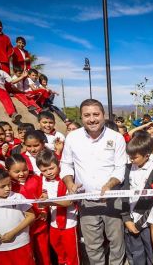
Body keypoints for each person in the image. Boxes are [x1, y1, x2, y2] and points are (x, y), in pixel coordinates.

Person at [60, 99, 127, 265]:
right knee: (92, 245)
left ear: (103, 115)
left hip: (112, 200)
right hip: (86, 201)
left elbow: (120, 168)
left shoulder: (117, 138)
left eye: (96, 114)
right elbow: (66, 165)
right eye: (87, 115)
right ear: (81, 117)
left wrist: (109, 185)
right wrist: (69, 183)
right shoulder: (72, 138)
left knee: (116, 242)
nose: (92, 119)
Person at [121, 134, 153, 265]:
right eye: (130, 157)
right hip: (131, 221)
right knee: (136, 254)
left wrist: (140, 224)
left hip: (148, 222)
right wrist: (127, 219)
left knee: (151, 253)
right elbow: (123, 193)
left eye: (135, 157)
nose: (131, 160)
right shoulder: (127, 168)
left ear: (147, 155)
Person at [0, 168, 35, 264]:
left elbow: (31, 216)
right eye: (2, 186)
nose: (7, 188)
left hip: (21, 244)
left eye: (9, 184)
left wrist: (13, 233)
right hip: (0, 247)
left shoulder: (18, 197)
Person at [36, 149, 80, 265]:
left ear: (58, 164)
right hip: (54, 222)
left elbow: (68, 202)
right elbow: (42, 195)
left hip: (69, 223)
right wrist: (43, 201)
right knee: (57, 247)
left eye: (51, 168)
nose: (49, 172)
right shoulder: (42, 180)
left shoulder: (66, 179)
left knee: (72, 253)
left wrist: (48, 202)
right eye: (44, 170)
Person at [5, 153, 49, 265]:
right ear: (8, 171)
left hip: (40, 223)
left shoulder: (36, 179)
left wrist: (44, 210)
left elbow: (43, 196)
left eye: (24, 170)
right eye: (16, 172)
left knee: (44, 252)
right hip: (22, 226)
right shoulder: (8, 186)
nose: (21, 174)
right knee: (28, 254)